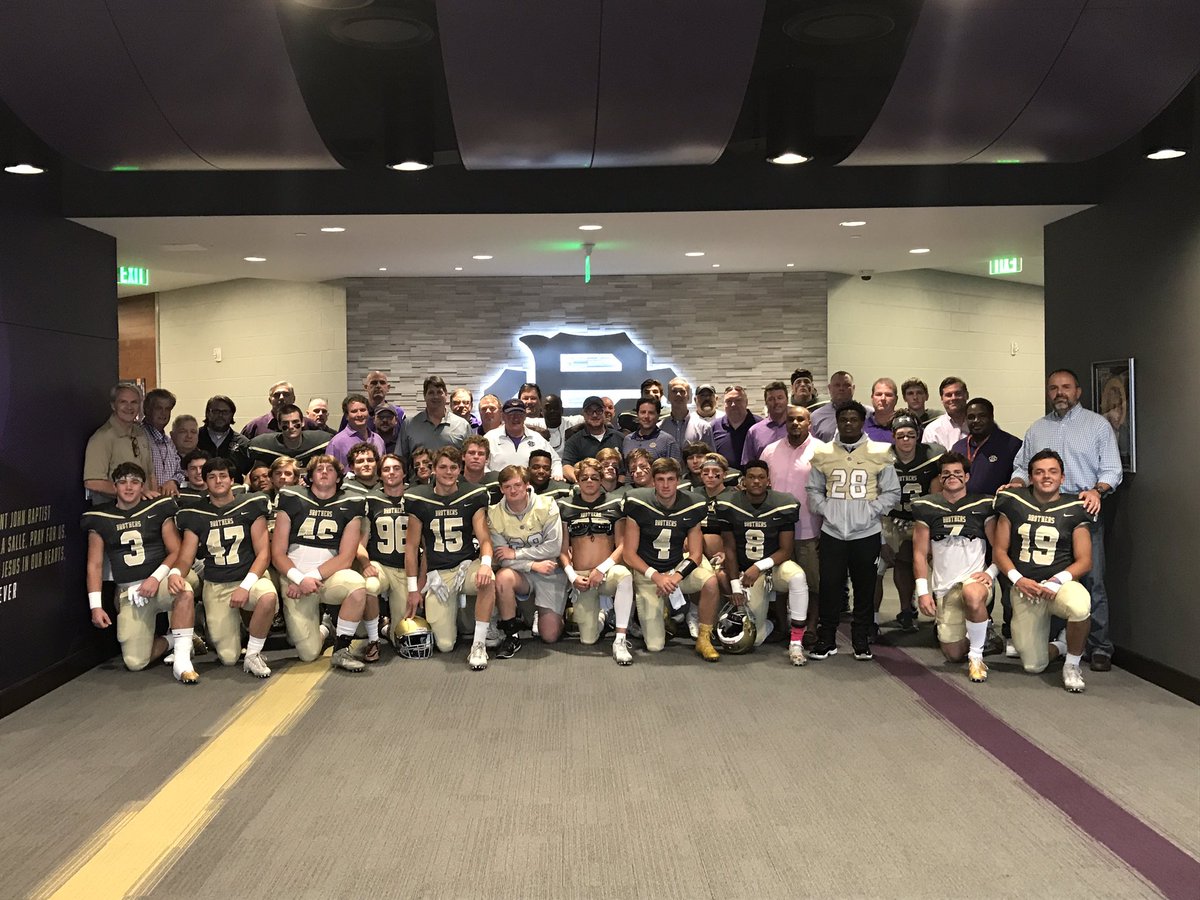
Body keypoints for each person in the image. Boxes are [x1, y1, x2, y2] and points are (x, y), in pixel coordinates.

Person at [1008, 368, 1122, 671]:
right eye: (1054, 388)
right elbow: (1021, 466)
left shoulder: (1097, 426)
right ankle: (1059, 640)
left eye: (1066, 387)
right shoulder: (1037, 428)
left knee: (1092, 581)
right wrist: (1017, 483)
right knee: (1049, 579)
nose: (1060, 393)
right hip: (1044, 515)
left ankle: (1099, 647)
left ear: (1078, 391)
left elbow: (1112, 470)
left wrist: (1098, 490)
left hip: (1083, 510)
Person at [82, 462, 198, 683]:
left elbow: (175, 550)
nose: (128, 487)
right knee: (135, 662)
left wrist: (155, 578)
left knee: (184, 590)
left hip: (160, 581)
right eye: (122, 482)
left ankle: (183, 660)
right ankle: (176, 639)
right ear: (114, 486)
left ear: (142, 486)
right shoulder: (100, 517)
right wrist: (96, 606)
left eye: (134, 482)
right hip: (130, 590)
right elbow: (94, 565)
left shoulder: (157, 508)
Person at [993, 450, 1094, 692]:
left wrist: (1056, 581)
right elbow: (999, 551)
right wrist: (1019, 580)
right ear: (1030, 477)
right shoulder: (1014, 502)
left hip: (1059, 586)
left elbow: (1085, 560)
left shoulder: (1075, 506)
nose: (1046, 477)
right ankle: (1060, 645)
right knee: (1033, 665)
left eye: (1052, 472)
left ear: (1062, 477)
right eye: (1039, 472)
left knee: (1081, 605)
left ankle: (1072, 664)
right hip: (1025, 587)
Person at [807, 401, 899, 660]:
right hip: (833, 532)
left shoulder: (879, 452)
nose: (848, 423)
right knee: (830, 586)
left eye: (853, 419)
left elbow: (892, 491)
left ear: (862, 422)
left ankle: (861, 638)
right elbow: (813, 489)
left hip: (865, 532)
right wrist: (826, 509)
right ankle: (827, 639)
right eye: (844, 419)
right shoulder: (823, 452)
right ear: (837, 421)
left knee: (865, 586)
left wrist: (870, 510)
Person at [404, 446, 511, 669]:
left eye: (454, 467)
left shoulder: (473, 495)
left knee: (488, 578)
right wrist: (414, 588)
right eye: (442, 467)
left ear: (460, 468)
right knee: (444, 645)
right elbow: (412, 547)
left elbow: (484, 540)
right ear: (433, 469)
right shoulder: (419, 498)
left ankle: (478, 645)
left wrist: (485, 564)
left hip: (466, 566)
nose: (449, 472)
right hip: (439, 573)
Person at [173, 458, 279, 678]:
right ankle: (217, 624)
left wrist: (246, 586)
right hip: (216, 584)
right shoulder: (196, 514)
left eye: (222, 476)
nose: (218, 481)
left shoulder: (250, 505)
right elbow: (185, 557)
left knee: (268, 597)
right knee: (228, 658)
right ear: (205, 482)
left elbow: (263, 554)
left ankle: (252, 653)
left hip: (248, 577)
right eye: (211, 477)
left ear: (232, 480)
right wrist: (175, 573)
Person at [271, 455, 371, 672]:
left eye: (330, 469)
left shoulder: (351, 502)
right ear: (309, 477)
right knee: (308, 655)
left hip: (327, 576)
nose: (324, 472)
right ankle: (326, 627)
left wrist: (310, 578)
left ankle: (341, 650)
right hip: (293, 577)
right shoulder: (291, 497)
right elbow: (277, 553)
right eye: (319, 469)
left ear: (339, 477)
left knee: (356, 585)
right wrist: (298, 579)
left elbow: (346, 557)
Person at [622, 457, 721, 660]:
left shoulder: (692, 504)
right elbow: (629, 554)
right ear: (653, 481)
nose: (665, 485)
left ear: (678, 480)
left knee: (710, 581)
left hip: (676, 569)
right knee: (655, 646)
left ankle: (704, 638)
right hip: (648, 573)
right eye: (660, 479)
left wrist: (675, 577)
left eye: (670, 479)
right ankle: (664, 613)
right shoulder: (638, 502)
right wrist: (657, 577)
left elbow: (695, 554)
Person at [911, 453, 998, 683]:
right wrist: (923, 592)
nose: (952, 477)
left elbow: (999, 547)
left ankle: (977, 657)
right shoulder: (927, 506)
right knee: (953, 654)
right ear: (940, 478)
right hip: (945, 586)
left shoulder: (982, 505)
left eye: (958, 473)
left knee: (971, 594)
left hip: (975, 581)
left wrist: (990, 573)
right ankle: (981, 629)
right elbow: (919, 554)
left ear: (967, 477)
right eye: (947, 474)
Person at [717, 459, 809, 664]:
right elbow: (729, 549)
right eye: (751, 477)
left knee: (797, 576)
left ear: (768, 481)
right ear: (744, 481)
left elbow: (786, 550)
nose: (756, 481)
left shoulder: (783, 503)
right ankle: (769, 623)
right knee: (755, 640)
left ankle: (796, 642)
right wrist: (735, 586)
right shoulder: (729, 504)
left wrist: (759, 566)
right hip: (748, 575)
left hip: (772, 567)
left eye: (761, 477)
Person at [953, 397, 1023, 654]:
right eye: (971, 417)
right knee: (977, 576)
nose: (976, 421)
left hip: (1001, 521)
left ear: (991, 415)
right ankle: (985, 627)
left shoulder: (1011, 444)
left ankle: (1013, 630)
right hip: (969, 524)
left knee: (1005, 576)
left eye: (981, 416)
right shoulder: (960, 445)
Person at [557, 457, 636, 664]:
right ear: (578, 481)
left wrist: (602, 568)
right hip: (581, 578)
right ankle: (602, 617)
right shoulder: (565, 506)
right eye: (584, 478)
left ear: (601, 479)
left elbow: (622, 545)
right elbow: (563, 549)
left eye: (594, 477)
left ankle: (620, 639)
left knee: (625, 576)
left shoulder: (615, 504)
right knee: (588, 641)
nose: (589, 481)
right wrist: (572, 576)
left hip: (606, 572)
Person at [760, 405, 825, 645]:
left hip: (810, 528)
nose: (795, 423)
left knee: (811, 581)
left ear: (810, 423)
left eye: (800, 419)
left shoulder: (822, 451)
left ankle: (810, 627)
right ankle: (782, 625)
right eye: (790, 420)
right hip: (776, 531)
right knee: (779, 581)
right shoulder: (770, 451)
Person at [880, 414, 945, 632]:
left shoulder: (932, 455)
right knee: (901, 562)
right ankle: (906, 608)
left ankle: (941, 612)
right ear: (893, 437)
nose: (906, 440)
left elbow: (937, 490)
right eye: (901, 436)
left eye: (911, 435)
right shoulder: (883, 457)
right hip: (894, 519)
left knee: (937, 563)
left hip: (924, 518)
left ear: (918, 436)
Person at [489, 465, 568, 643]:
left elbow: (553, 548)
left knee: (549, 636)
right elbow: (502, 558)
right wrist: (532, 565)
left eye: (517, 485)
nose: (513, 490)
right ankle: (511, 636)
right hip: (522, 574)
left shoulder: (547, 505)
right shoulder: (493, 514)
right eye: (507, 487)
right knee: (503, 577)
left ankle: (555, 613)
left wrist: (516, 554)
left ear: (527, 485)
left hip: (550, 572)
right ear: (501, 489)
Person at [359, 453, 421, 654]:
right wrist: (365, 563)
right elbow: (359, 543)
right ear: (380, 475)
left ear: (404, 473)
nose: (391, 472)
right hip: (381, 565)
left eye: (396, 468)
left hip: (407, 570)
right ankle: (373, 639)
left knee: (401, 637)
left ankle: (386, 628)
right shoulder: (371, 500)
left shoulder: (415, 498)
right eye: (386, 469)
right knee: (369, 586)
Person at [84, 381, 156, 503]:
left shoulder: (141, 433)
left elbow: (150, 474)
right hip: (114, 513)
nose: (129, 407)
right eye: (123, 402)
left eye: (134, 402)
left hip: (143, 510)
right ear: (113, 405)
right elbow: (92, 482)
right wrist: (132, 491)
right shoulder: (101, 438)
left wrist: (155, 503)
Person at [485, 398, 563, 478]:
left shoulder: (537, 438)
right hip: (497, 488)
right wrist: (492, 481)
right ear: (503, 416)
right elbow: (480, 465)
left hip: (530, 488)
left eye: (520, 414)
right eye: (511, 414)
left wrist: (556, 475)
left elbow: (555, 460)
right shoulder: (490, 438)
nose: (516, 418)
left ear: (525, 416)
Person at [398, 375, 471, 460]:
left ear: (446, 394)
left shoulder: (462, 425)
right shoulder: (409, 425)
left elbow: (470, 458)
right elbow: (400, 460)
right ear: (424, 396)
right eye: (431, 392)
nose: (435, 396)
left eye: (439, 392)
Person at [247, 404, 331, 472]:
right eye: (285, 423)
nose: (291, 427)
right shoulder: (264, 445)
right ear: (279, 425)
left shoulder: (320, 441)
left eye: (295, 422)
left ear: (302, 423)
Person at [562, 395, 624, 482]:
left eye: (598, 411)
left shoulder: (619, 438)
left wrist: (619, 486)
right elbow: (566, 467)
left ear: (604, 413)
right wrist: (581, 482)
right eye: (590, 411)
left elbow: (625, 468)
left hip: (615, 490)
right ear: (583, 414)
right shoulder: (573, 441)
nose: (594, 415)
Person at [141, 388, 186, 498]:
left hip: (167, 504)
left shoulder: (169, 442)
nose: (163, 413)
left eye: (167, 409)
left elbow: (180, 471)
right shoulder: (137, 437)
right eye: (158, 408)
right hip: (144, 503)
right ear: (146, 409)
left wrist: (173, 481)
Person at [198, 395, 251, 481]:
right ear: (208, 413)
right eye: (216, 411)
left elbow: (251, 471)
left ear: (232, 415)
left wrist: (245, 486)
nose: (220, 415)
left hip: (233, 491)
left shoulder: (242, 443)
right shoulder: (195, 438)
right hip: (199, 491)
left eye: (225, 412)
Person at [241, 381, 318, 439]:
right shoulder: (255, 427)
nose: (281, 398)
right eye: (276, 395)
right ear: (270, 400)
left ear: (294, 398)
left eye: (286, 394)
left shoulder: (309, 425)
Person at [328, 393, 385, 467]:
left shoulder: (378, 440)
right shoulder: (336, 443)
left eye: (363, 410)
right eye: (354, 411)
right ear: (346, 416)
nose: (359, 414)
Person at [741, 380, 790, 464]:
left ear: (787, 400)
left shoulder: (797, 427)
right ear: (766, 403)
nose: (776, 402)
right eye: (771, 399)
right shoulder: (754, 431)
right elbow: (749, 464)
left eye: (780, 398)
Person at [659, 377, 714, 449]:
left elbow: (710, 458)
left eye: (682, 391)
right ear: (668, 396)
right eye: (674, 391)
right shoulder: (660, 427)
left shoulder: (704, 427)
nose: (678, 394)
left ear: (688, 396)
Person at [711, 385, 758, 467]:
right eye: (729, 401)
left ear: (746, 402)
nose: (733, 404)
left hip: (753, 478)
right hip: (724, 478)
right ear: (724, 404)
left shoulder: (759, 425)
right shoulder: (714, 427)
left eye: (738, 400)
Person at [623, 397, 680, 462]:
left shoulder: (668, 441)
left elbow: (676, 469)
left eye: (651, 413)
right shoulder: (627, 440)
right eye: (643, 412)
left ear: (658, 415)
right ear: (637, 414)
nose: (646, 416)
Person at [924, 377, 970, 452]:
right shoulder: (932, 431)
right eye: (948, 395)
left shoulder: (981, 425)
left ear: (966, 395)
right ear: (942, 399)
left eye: (958, 393)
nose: (953, 398)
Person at [809, 371, 855, 442]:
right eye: (837, 385)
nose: (841, 388)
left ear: (853, 388)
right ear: (829, 388)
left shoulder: (868, 414)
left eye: (846, 385)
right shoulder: (815, 417)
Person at [460, 435, 501, 502]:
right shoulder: (454, 483)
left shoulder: (497, 481)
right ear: (463, 456)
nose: (476, 457)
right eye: (471, 453)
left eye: (481, 454)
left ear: (487, 458)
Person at [863, 377, 900, 443]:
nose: (883, 398)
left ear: (896, 399)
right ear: (872, 398)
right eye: (878, 394)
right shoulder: (861, 426)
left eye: (888, 395)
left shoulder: (903, 426)